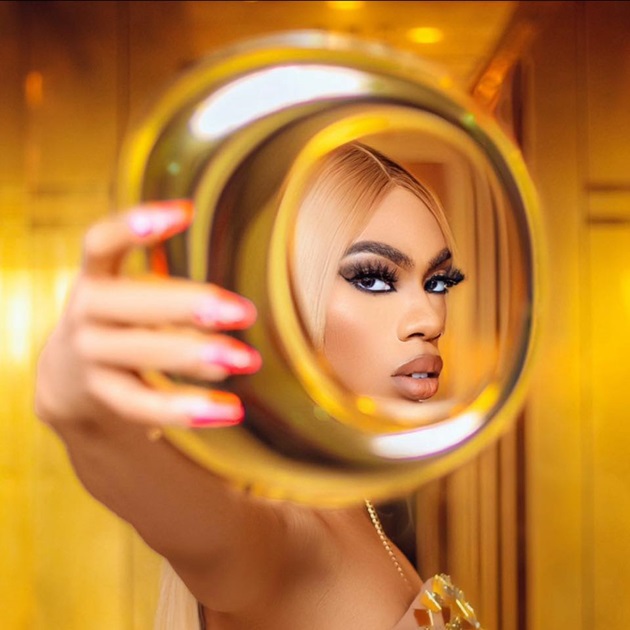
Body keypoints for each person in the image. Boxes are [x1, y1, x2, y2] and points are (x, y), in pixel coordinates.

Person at [34, 143, 479, 629]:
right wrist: (89, 416)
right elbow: (193, 515)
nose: (430, 319)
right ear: (283, 300)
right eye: (373, 279)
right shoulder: (281, 532)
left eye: (438, 282)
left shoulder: (355, 506)